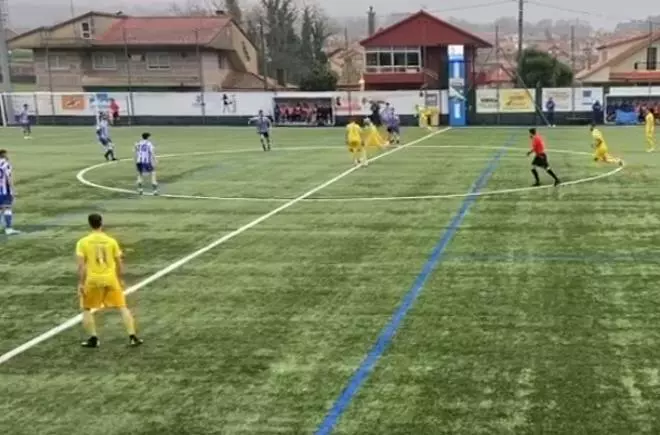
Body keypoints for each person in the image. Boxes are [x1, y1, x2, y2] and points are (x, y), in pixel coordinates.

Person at [76, 213, 143, 348]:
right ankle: (132, 336)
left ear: (90, 224)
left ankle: (93, 338)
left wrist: (81, 283)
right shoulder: (111, 241)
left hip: (93, 279)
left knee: (87, 308)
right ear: (102, 223)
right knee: (122, 307)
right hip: (110, 278)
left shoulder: (82, 242)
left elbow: (81, 266)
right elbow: (119, 263)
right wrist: (120, 279)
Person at [0, 149, 19, 235]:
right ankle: (8, 229)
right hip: (5, 191)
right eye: (7, 154)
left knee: (0, 209)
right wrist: (13, 190)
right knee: (7, 208)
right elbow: (9, 178)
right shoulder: (6, 164)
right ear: (4, 155)